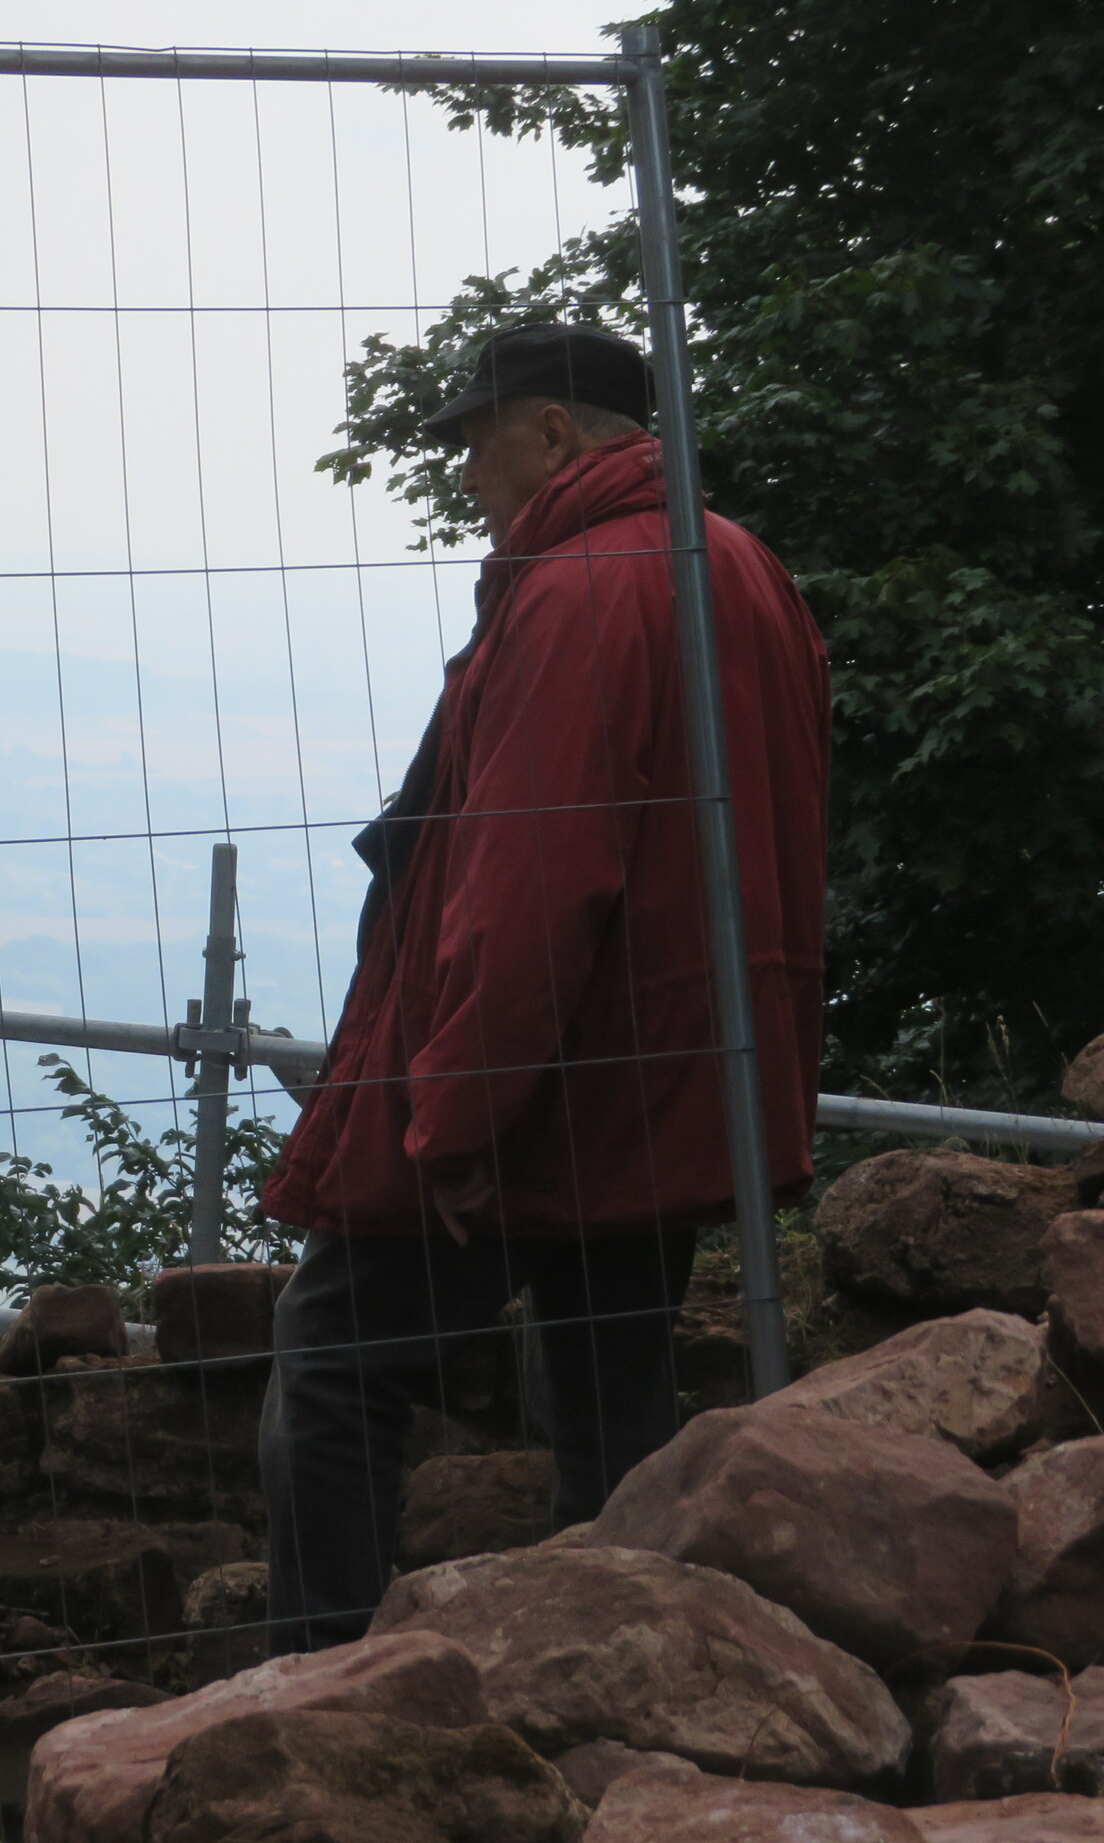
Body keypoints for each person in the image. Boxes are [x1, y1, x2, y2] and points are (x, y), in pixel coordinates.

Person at [256, 322, 830, 1648]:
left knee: (329, 1368)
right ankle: (617, 1670)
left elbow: (533, 884)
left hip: (548, 1085)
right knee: (609, 1397)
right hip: (675, 1073)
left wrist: (455, 1115)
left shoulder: (576, 592)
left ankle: (319, 1689)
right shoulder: (741, 565)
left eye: (477, 441)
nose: (467, 474)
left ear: (555, 433)